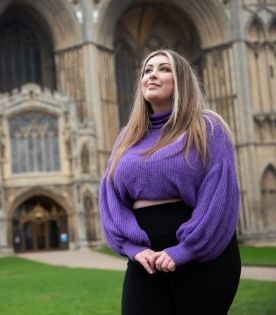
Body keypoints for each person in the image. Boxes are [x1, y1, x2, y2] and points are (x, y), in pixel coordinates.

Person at [99, 49, 241, 315]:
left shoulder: (207, 128)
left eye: (164, 69)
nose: (152, 75)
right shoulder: (127, 137)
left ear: (182, 81)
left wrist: (185, 250)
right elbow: (110, 198)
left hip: (203, 255)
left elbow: (219, 196)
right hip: (145, 259)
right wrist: (132, 248)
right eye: (147, 70)